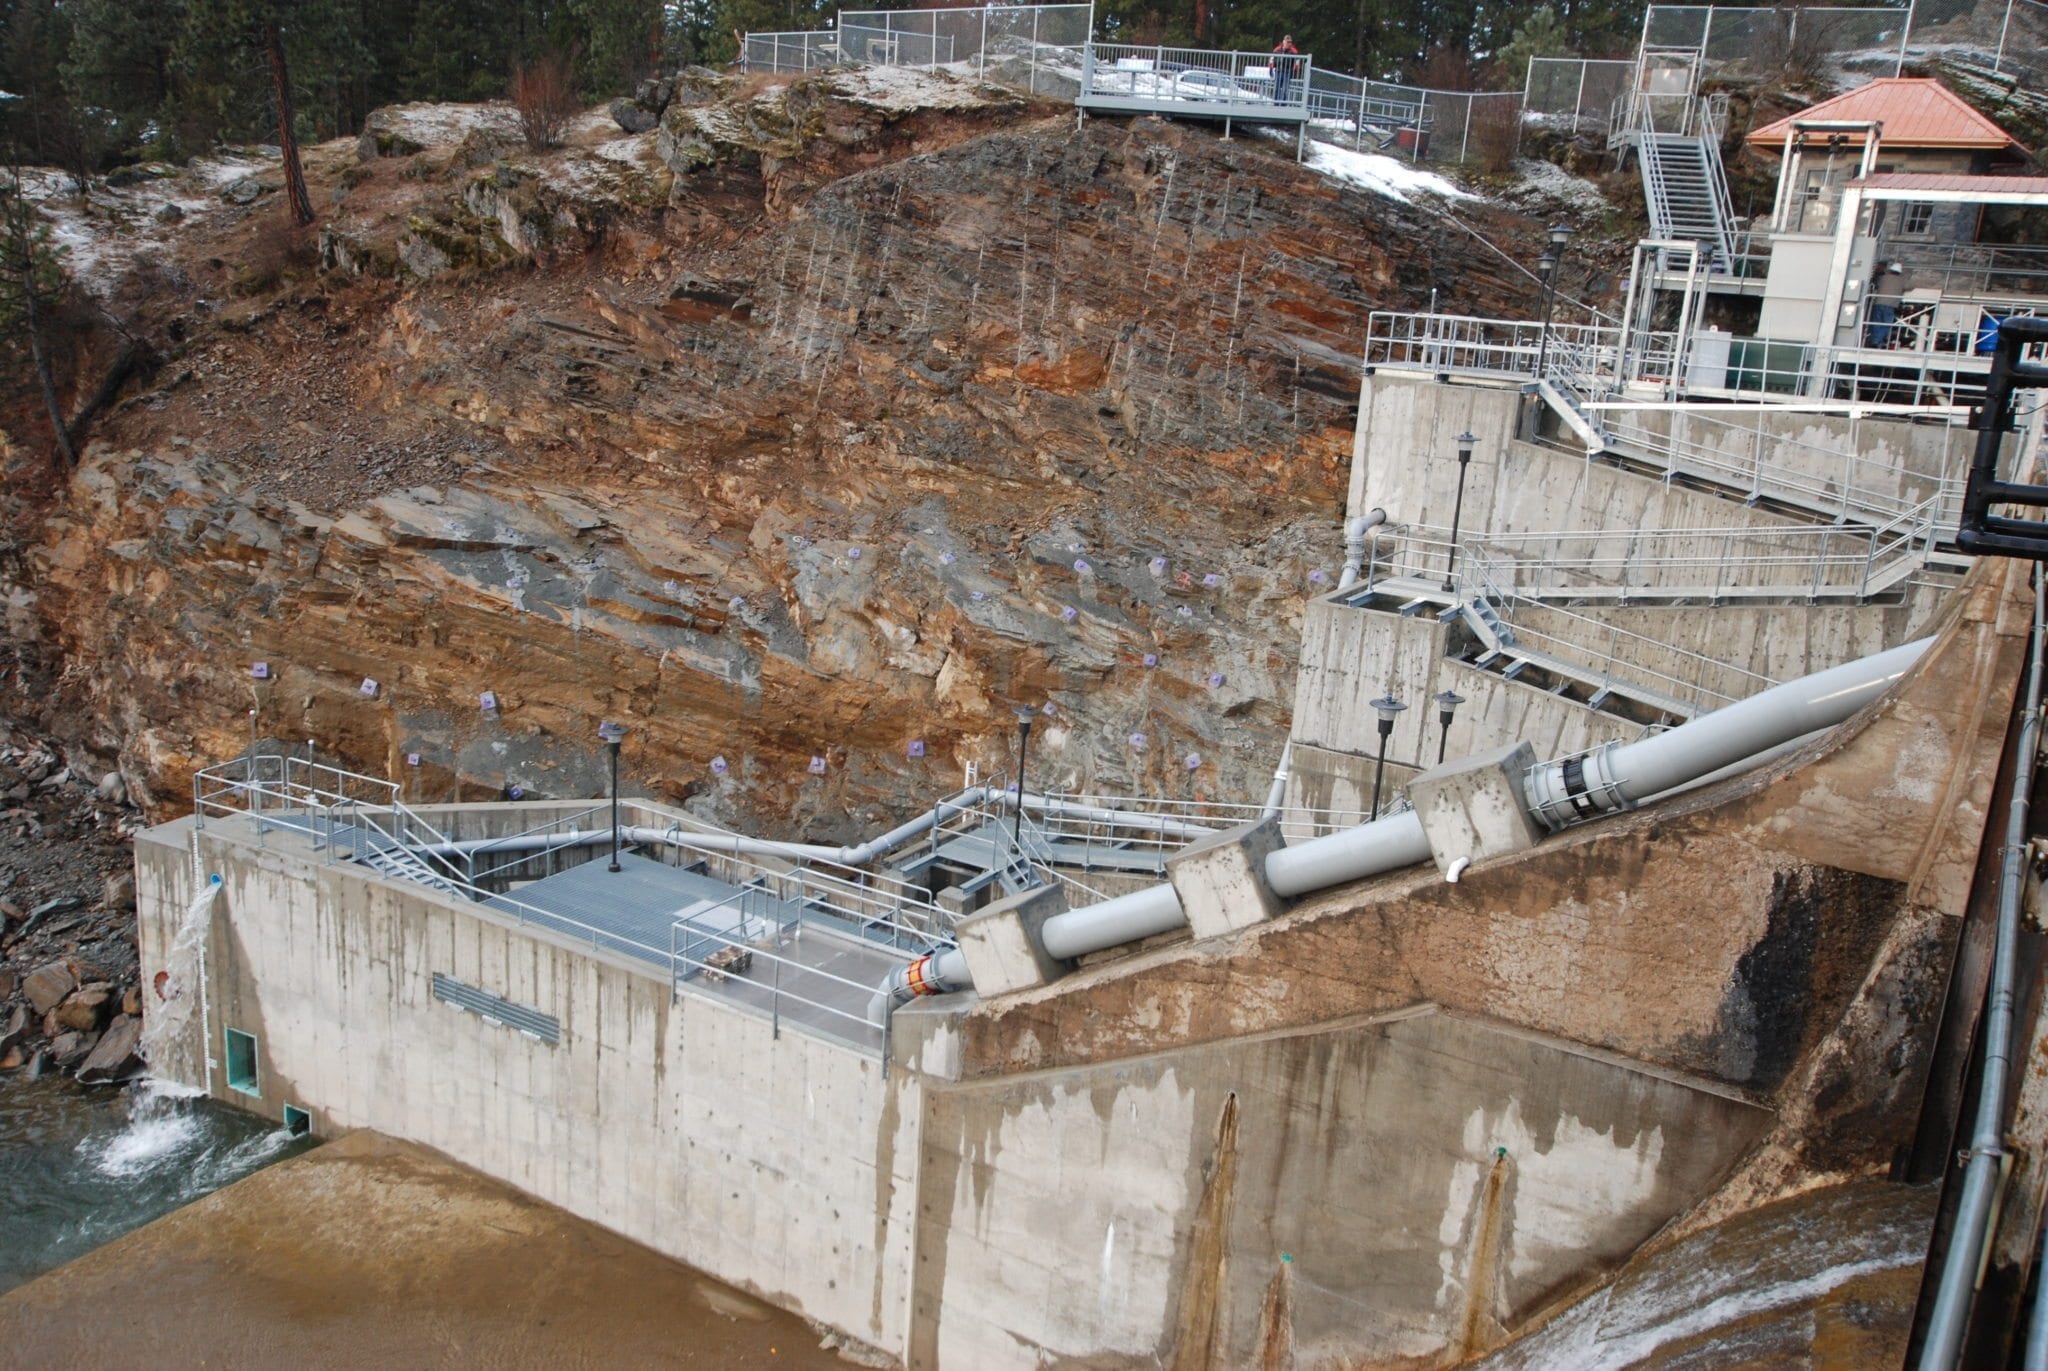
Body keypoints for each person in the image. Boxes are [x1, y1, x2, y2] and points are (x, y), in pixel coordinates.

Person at [1272, 34, 1300, 105]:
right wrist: (1271, 69)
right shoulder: (1277, 50)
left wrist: (1295, 72)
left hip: (1287, 72)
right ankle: (1275, 104)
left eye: (1290, 42)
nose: (1289, 43)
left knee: (1285, 90)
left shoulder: (1294, 52)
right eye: (1288, 42)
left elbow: (1297, 63)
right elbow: (1272, 60)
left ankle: (1283, 105)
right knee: (1276, 89)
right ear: (1283, 41)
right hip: (1278, 71)